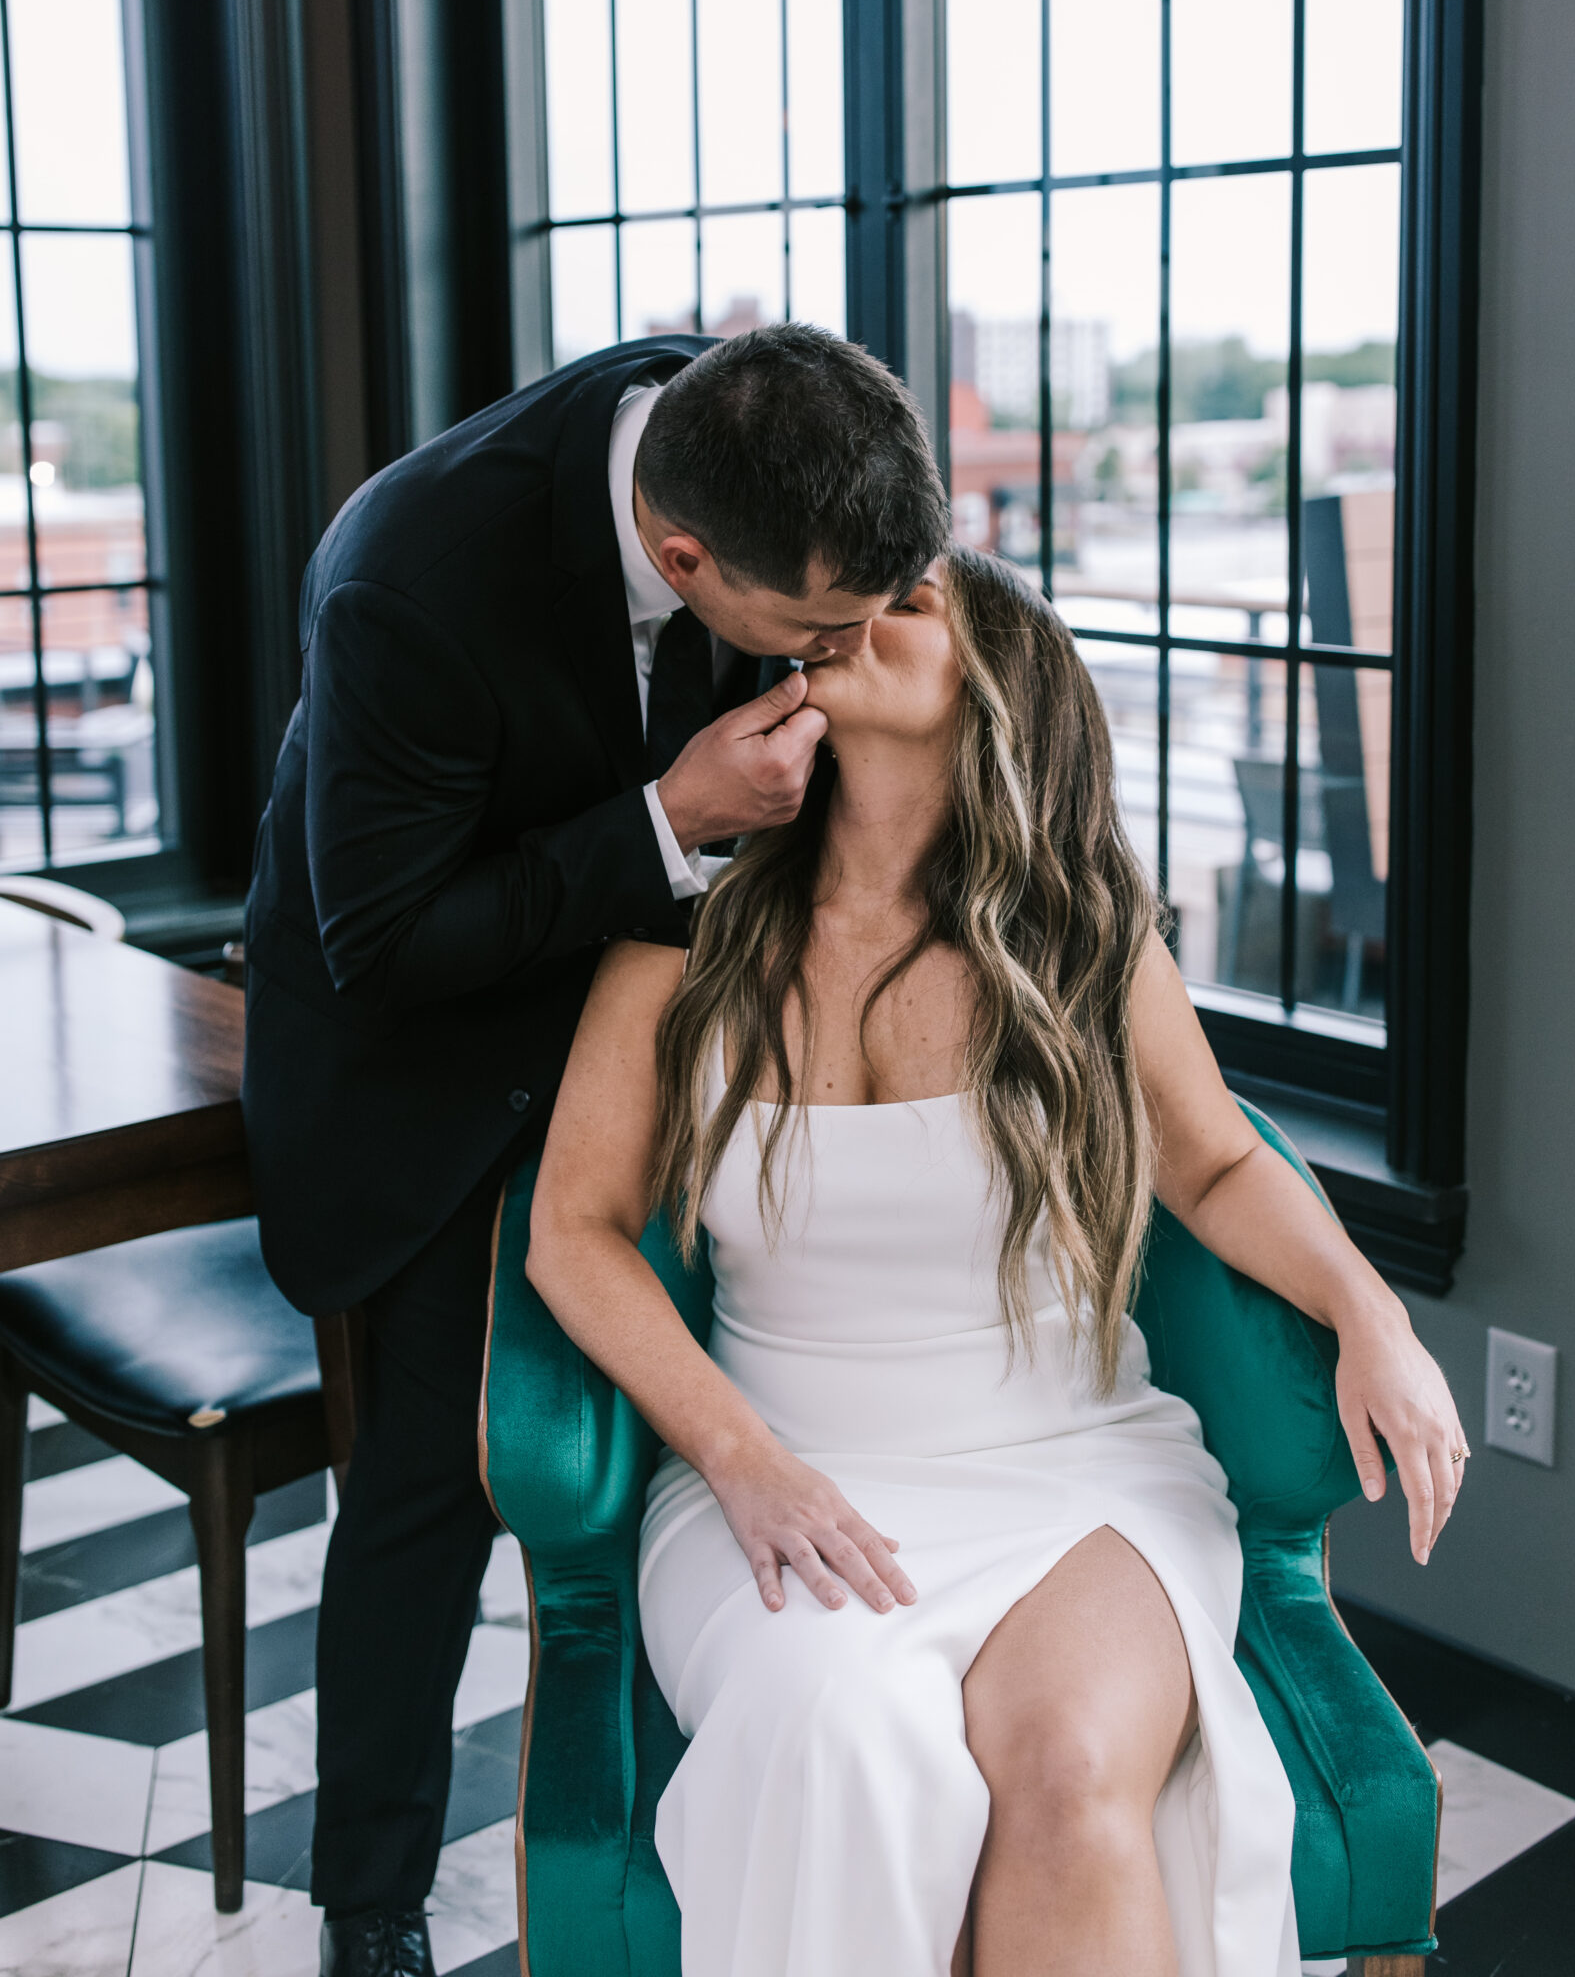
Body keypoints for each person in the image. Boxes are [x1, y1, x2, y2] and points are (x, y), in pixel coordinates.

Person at [527, 546, 1469, 1977]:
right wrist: (739, 1458)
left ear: (993, 689)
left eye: (907, 604)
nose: (849, 618)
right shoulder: (683, 936)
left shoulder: (1086, 935)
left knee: (1075, 1780)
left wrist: (1369, 1311)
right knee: (841, 1748)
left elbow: (1212, 1163)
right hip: (778, 1473)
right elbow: (572, 1234)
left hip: (1071, 1464)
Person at [242, 326, 949, 1977]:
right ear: (688, 558)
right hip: (421, 1059)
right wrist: (672, 818)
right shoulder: (409, 582)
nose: (841, 657)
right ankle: (372, 1911)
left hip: (652, 1033)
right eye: (815, 630)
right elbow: (387, 940)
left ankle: (713, 1838)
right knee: (430, 1491)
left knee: (687, 1448)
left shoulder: (760, 436)